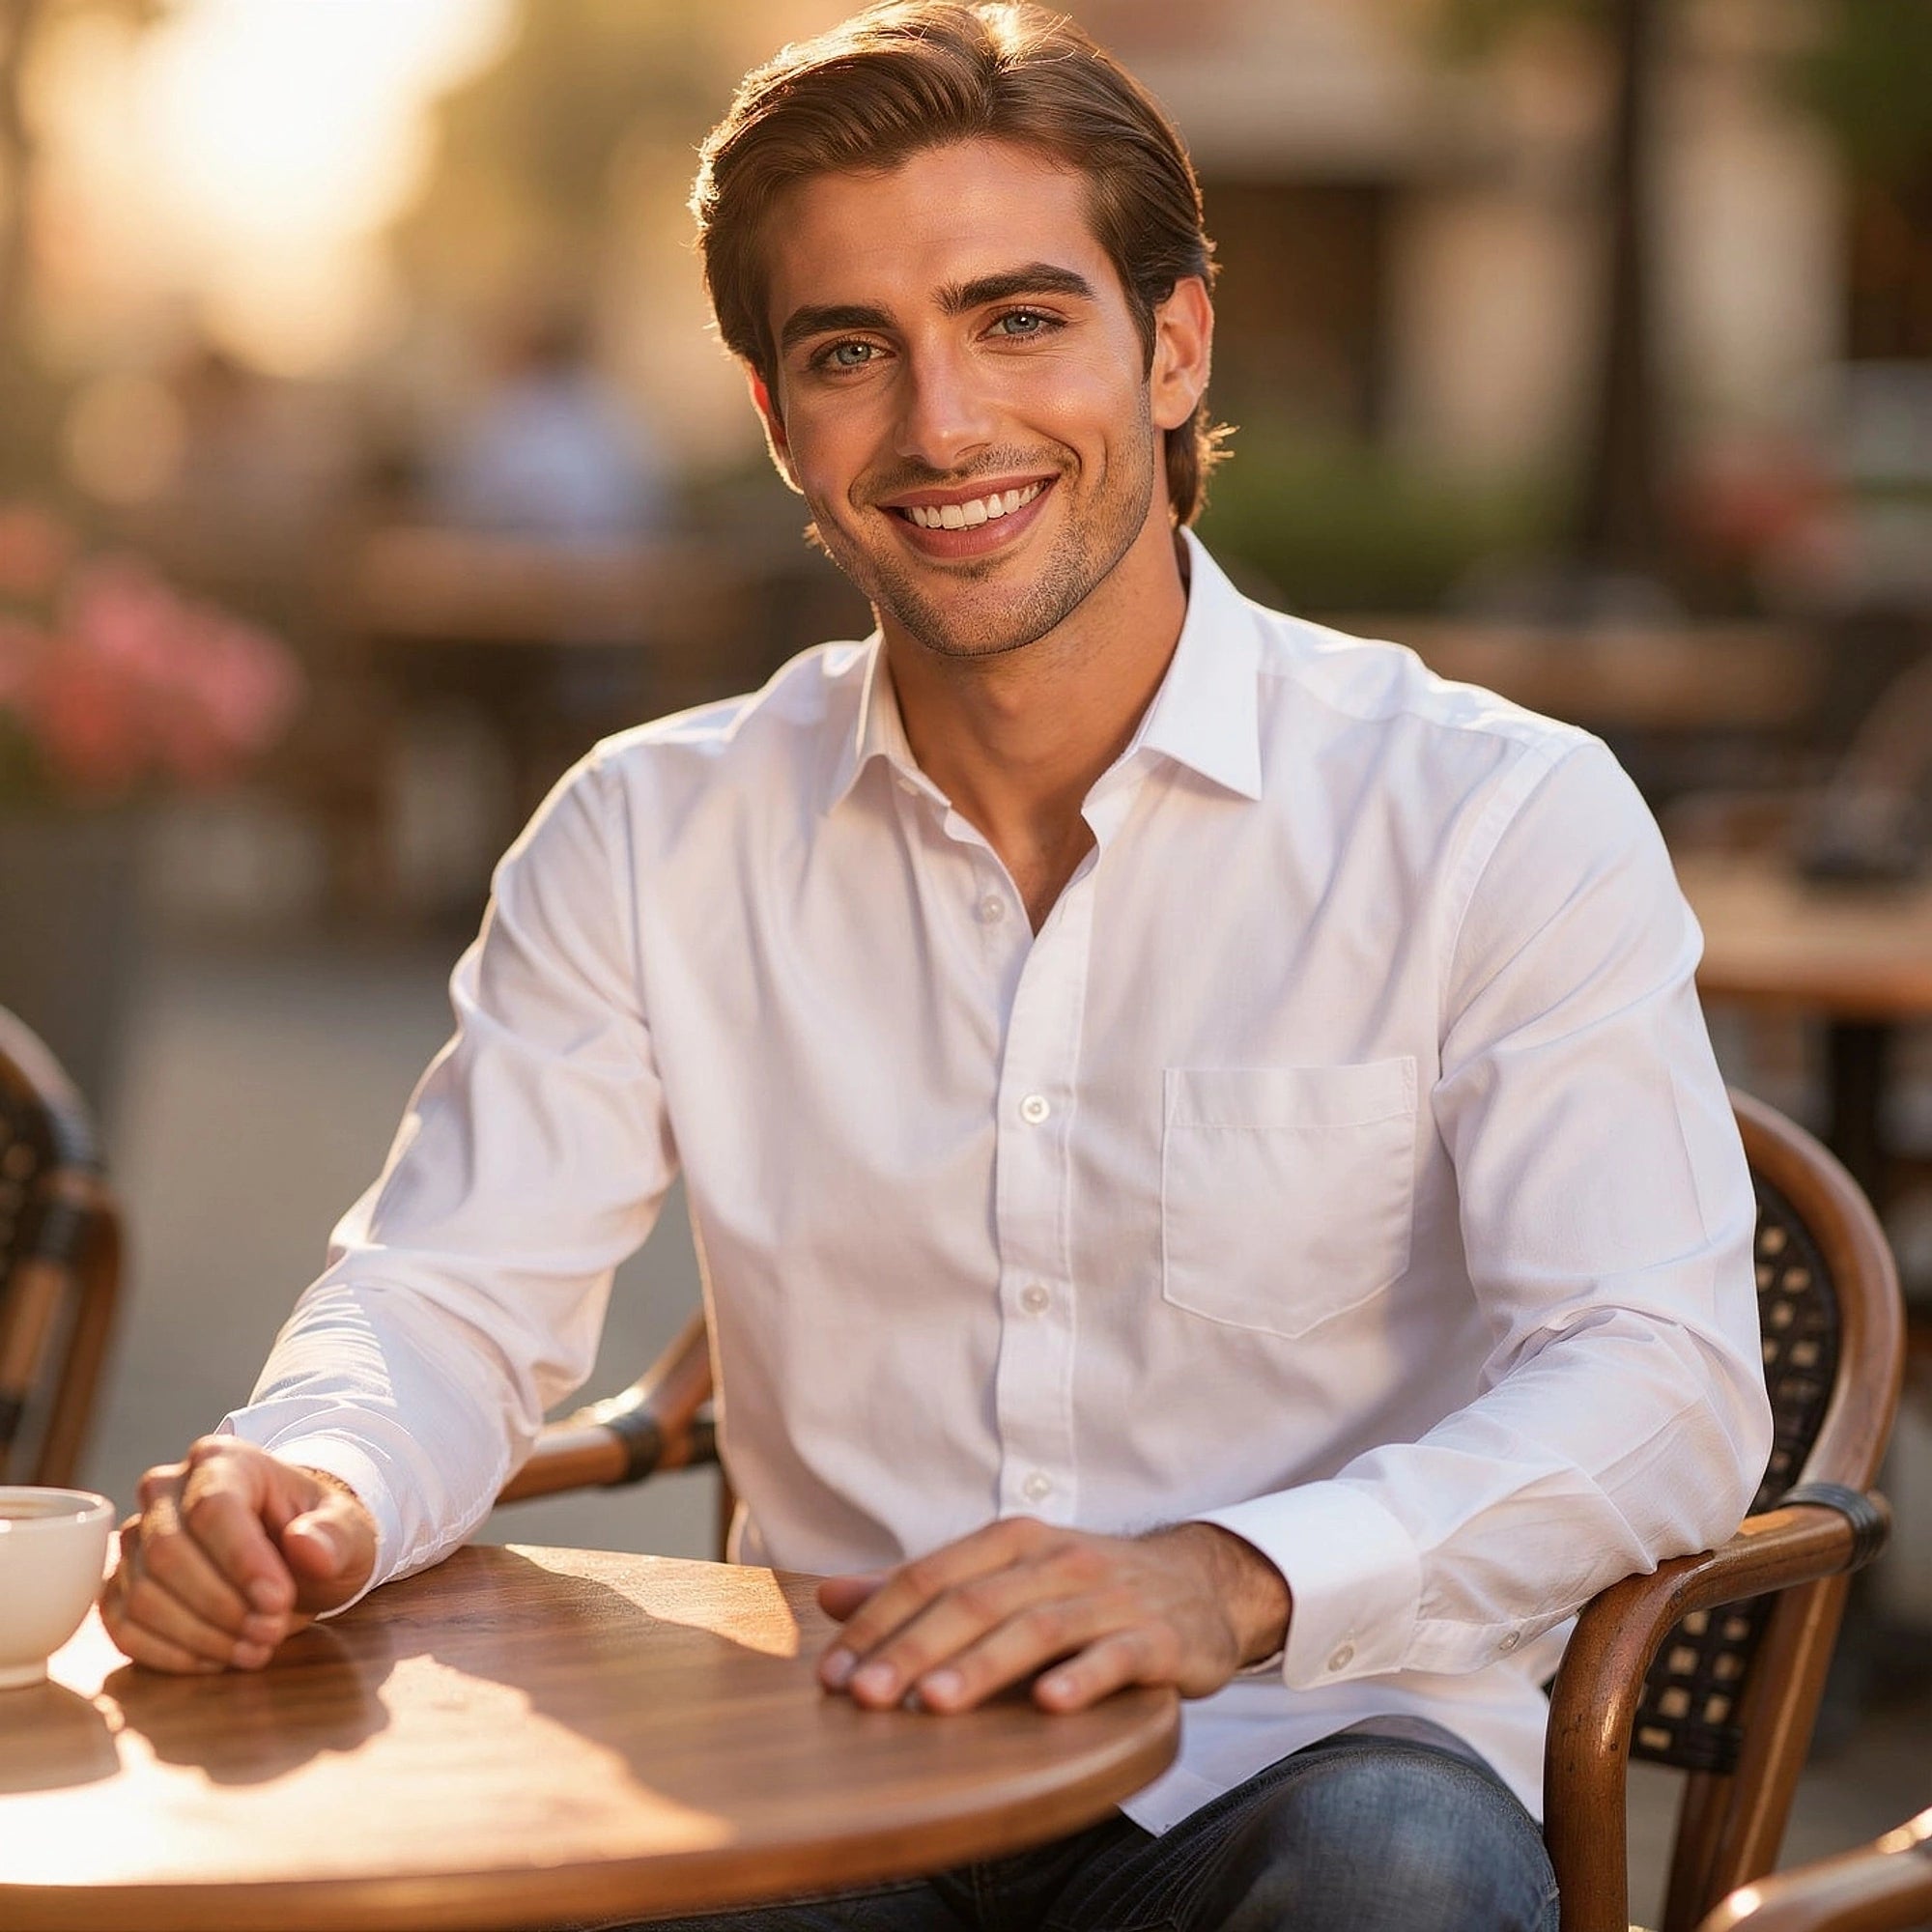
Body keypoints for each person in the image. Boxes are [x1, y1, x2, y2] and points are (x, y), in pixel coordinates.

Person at [100, 7, 1772, 1928]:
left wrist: (1228, 1573)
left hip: (1308, 1758)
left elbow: (1660, 1380)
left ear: (1172, 346)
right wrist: (305, 1478)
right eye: (847, 353)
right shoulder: (653, 830)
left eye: (1017, 318)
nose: (942, 424)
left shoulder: (1492, 814)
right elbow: (443, 1292)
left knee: (1391, 1877)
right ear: (772, 421)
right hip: (834, 1772)